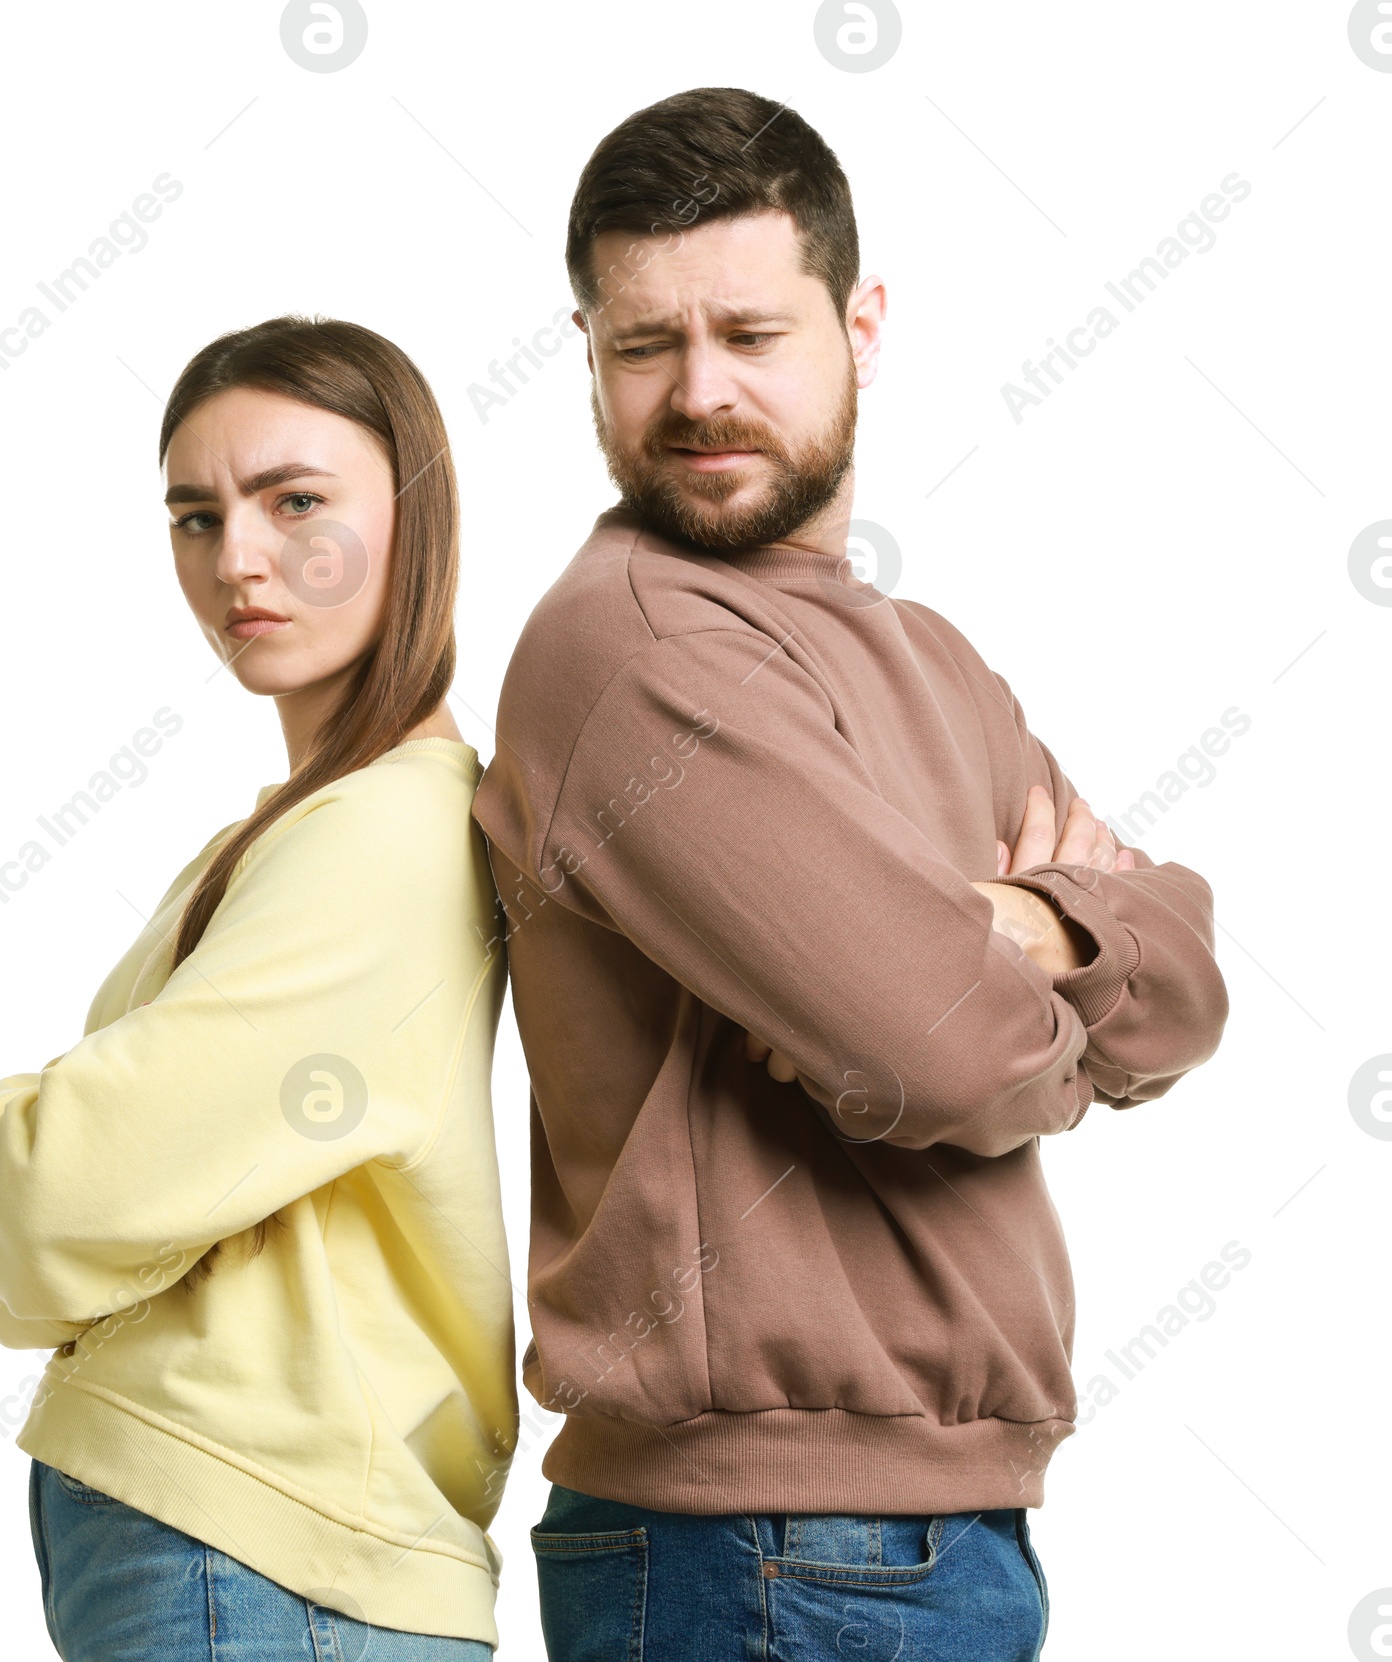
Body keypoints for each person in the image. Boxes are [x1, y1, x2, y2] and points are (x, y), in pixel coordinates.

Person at [471, 88, 1229, 1661]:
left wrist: (1023, 925)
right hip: (760, 1548)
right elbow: (947, 1049)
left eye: (751, 333)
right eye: (641, 346)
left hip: (918, 1540)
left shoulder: (930, 658)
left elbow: (1191, 982)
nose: (698, 393)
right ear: (587, 352)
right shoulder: (638, 645)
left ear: (861, 324)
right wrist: (1005, 976)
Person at [0, 316, 516, 1660]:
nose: (240, 560)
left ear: (420, 515)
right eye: (196, 516)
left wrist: (11, 1135)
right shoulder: (283, 833)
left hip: (261, 1540)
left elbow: (60, 1190)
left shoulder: (388, 834)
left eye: (297, 501)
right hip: (247, 1540)